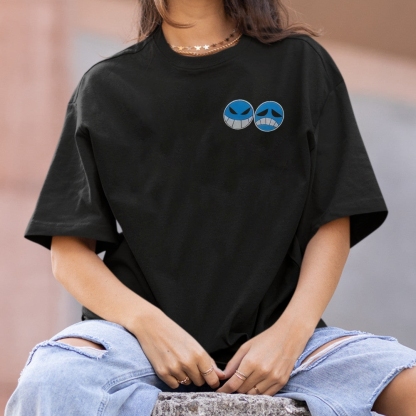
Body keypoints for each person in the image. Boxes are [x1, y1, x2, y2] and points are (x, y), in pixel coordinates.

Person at [5, 0, 416, 415]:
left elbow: (334, 217)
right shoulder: (106, 87)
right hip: (134, 344)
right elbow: (69, 253)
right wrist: (150, 327)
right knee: (51, 381)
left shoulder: (300, 65)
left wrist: (290, 336)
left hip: (286, 343)